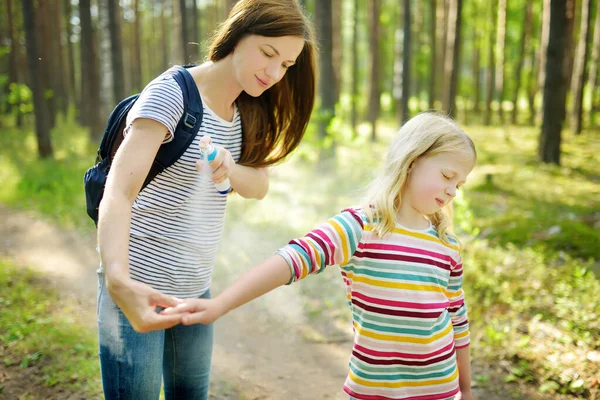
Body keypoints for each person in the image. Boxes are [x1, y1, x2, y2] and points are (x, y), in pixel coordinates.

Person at [164, 112, 477, 400]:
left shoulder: (445, 245)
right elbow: (291, 260)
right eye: (447, 176)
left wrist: (465, 391)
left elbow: (457, 321)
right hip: (371, 392)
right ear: (412, 161)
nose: (452, 190)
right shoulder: (360, 227)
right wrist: (219, 304)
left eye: (459, 184)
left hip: (440, 391)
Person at [96, 1, 316, 399]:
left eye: (286, 64)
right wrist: (118, 282)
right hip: (137, 285)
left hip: (196, 290)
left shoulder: (248, 109)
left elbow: (259, 186)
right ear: (238, 33)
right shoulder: (171, 95)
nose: (273, 73)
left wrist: (231, 169)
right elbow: (119, 190)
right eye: (268, 53)